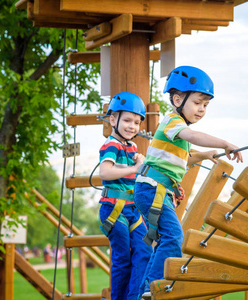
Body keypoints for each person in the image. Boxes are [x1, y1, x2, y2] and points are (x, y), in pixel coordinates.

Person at [134, 66, 243, 299]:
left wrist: (205, 155)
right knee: (174, 237)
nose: (202, 109)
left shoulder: (177, 132)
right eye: (197, 102)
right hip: (151, 189)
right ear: (177, 99)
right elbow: (192, 136)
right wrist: (225, 143)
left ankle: (147, 289)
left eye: (206, 105)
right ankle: (155, 288)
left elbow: (186, 156)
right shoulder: (173, 121)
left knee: (166, 239)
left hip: (156, 190)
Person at [98, 92, 152, 300]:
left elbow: (135, 171)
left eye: (137, 122)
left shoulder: (132, 146)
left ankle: (134, 297)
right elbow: (104, 172)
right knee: (123, 259)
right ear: (113, 120)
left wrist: (138, 162)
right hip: (113, 209)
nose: (132, 126)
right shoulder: (112, 144)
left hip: (132, 209)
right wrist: (135, 168)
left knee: (143, 252)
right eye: (127, 120)